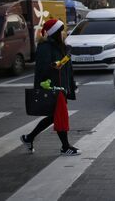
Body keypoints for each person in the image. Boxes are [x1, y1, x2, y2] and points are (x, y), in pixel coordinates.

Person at [20, 19, 80, 156]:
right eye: (61, 31)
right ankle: (65, 147)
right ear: (55, 33)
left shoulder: (61, 46)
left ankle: (28, 138)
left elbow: (67, 69)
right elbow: (44, 69)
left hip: (61, 86)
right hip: (52, 87)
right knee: (60, 116)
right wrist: (59, 63)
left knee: (54, 116)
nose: (64, 33)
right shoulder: (45, 47)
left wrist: (72, 83)